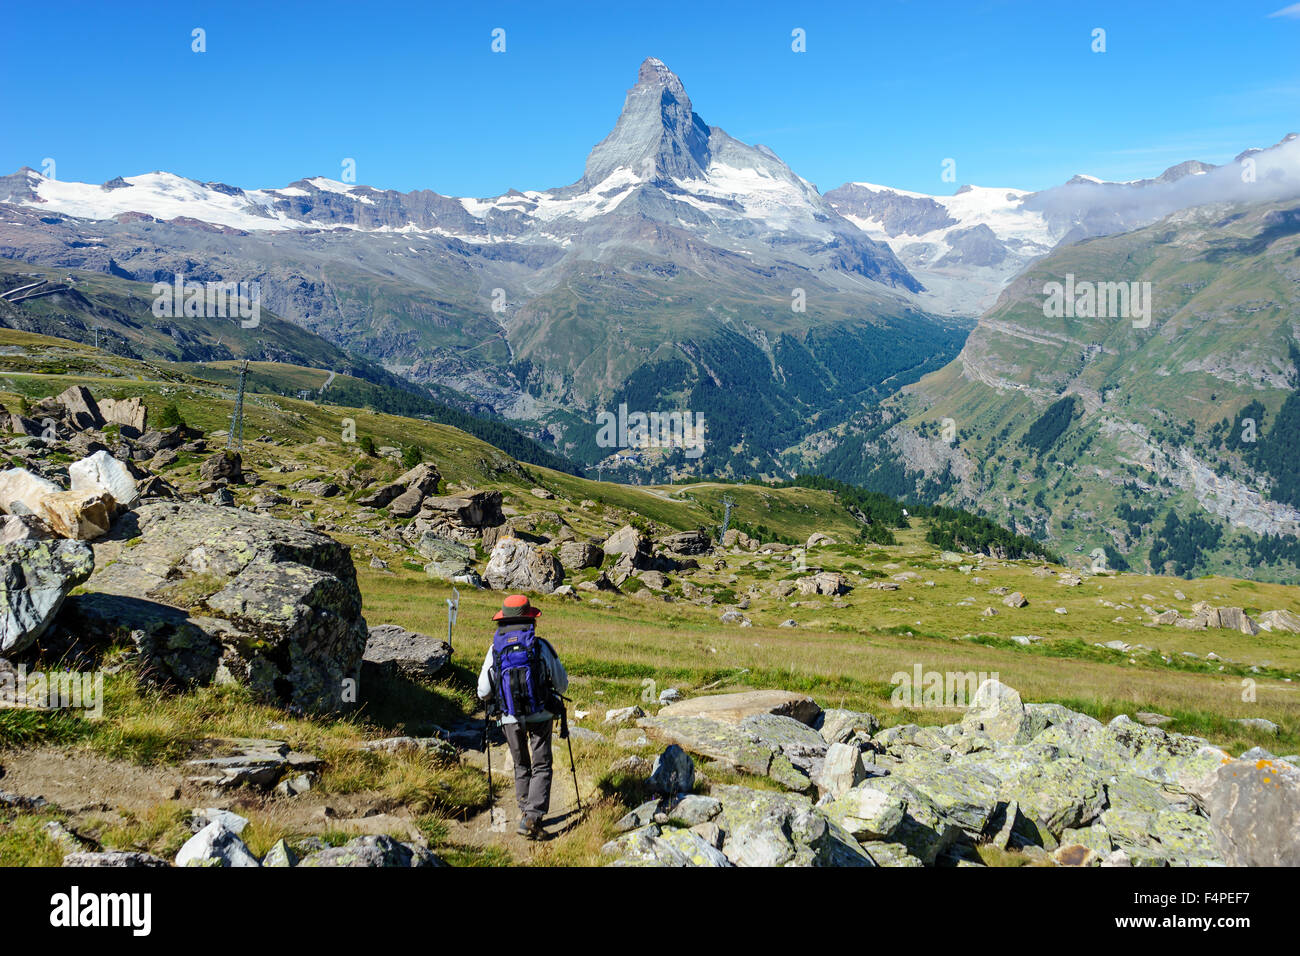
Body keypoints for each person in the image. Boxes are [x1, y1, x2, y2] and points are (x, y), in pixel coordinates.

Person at [477, 593, 568, 840]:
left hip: (509, 717)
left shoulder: (494, 649)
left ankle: (525, 813)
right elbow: (561, 685)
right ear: (532, 620)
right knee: (542, 765)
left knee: (521, 765)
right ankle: (532, 816)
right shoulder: (541, 646)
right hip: (541, 714)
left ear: (502, 620)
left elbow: (483, 691)